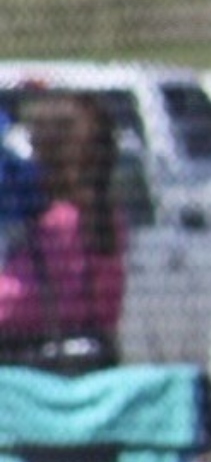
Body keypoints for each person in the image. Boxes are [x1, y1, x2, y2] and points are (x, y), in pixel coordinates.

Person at [0, 91, 126, 371]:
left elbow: (14, 305)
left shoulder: (60, 223)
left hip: (36, 364)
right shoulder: (104, 215)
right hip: (92, 354)